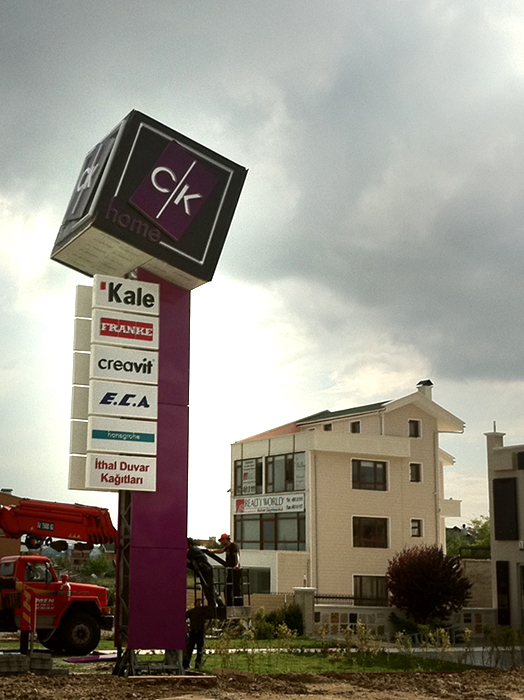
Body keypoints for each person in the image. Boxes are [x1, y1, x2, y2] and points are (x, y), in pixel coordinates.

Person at [186, 537, 223, 608]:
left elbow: (184, 554)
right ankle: (214, 604)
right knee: (207, 589)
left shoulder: (193, 550)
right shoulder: (194, 550)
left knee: (210, 588)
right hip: (204, 571)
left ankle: (215, 605)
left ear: (189, 544)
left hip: (206, 570)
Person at [213, 533, 243, 606]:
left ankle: (238, 604)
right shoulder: (227, 548)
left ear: (225, 539)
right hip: (230, 571)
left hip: (235, 571)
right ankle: (229, 604)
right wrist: (212, 551)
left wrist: (237, 565)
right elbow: (222, 551)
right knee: (227, 589)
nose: (222, 543)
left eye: (222, 541)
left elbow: (237, 555)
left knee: (236, 588)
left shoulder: (233, 546)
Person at [183, 599, 207, 671]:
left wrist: (207, 627)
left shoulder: (204, 612)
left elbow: (211, 618)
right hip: (193, 632)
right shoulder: (192, 611)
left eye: (200, 602)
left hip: (200, 632)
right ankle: (186, 664)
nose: (199, 603)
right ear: (195, 603)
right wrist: (187, 627)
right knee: (189, 649)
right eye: (197, 602)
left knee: (200, 649)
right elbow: (183, 617)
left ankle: (198, 665)